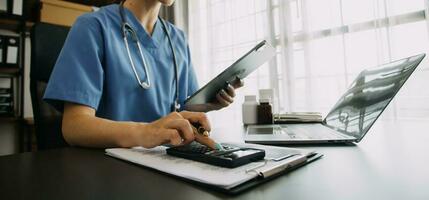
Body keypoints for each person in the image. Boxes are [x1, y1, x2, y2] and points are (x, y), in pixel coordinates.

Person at [43, 0, 243, 149]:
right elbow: (75, 127)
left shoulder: (177, 39)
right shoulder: (93, 26)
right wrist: (146, 132)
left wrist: (206, 104)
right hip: (109, 168)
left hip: (168, 165)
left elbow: (183, 109)